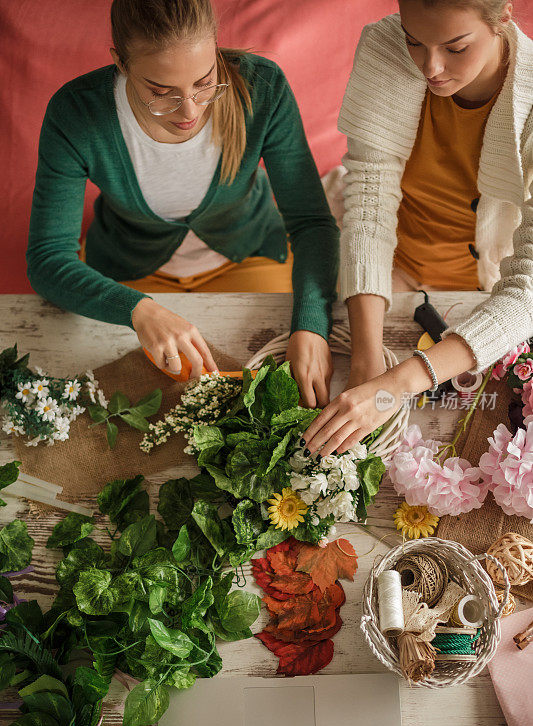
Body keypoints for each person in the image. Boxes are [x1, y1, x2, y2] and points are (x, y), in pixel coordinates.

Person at [27, 0, 339, 407]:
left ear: (214, 46)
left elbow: (313, 221)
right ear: (120, 63)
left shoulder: (264, 88)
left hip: (250, 257)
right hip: (126, 273)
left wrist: (312, 327)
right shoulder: (76, 113)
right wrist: (139, 311)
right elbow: (48, 258)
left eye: (205, 82)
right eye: (161, 92)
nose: (190, 110)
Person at [303, 0, 533, 457]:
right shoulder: (384, 47)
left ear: (503, 18)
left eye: (456, 46)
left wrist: (395, 385)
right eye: (415, 41)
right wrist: (369, 354)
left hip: (488, 288)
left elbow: (527, 290)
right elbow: (368, 196)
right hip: (392, 262)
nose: (431, 67)